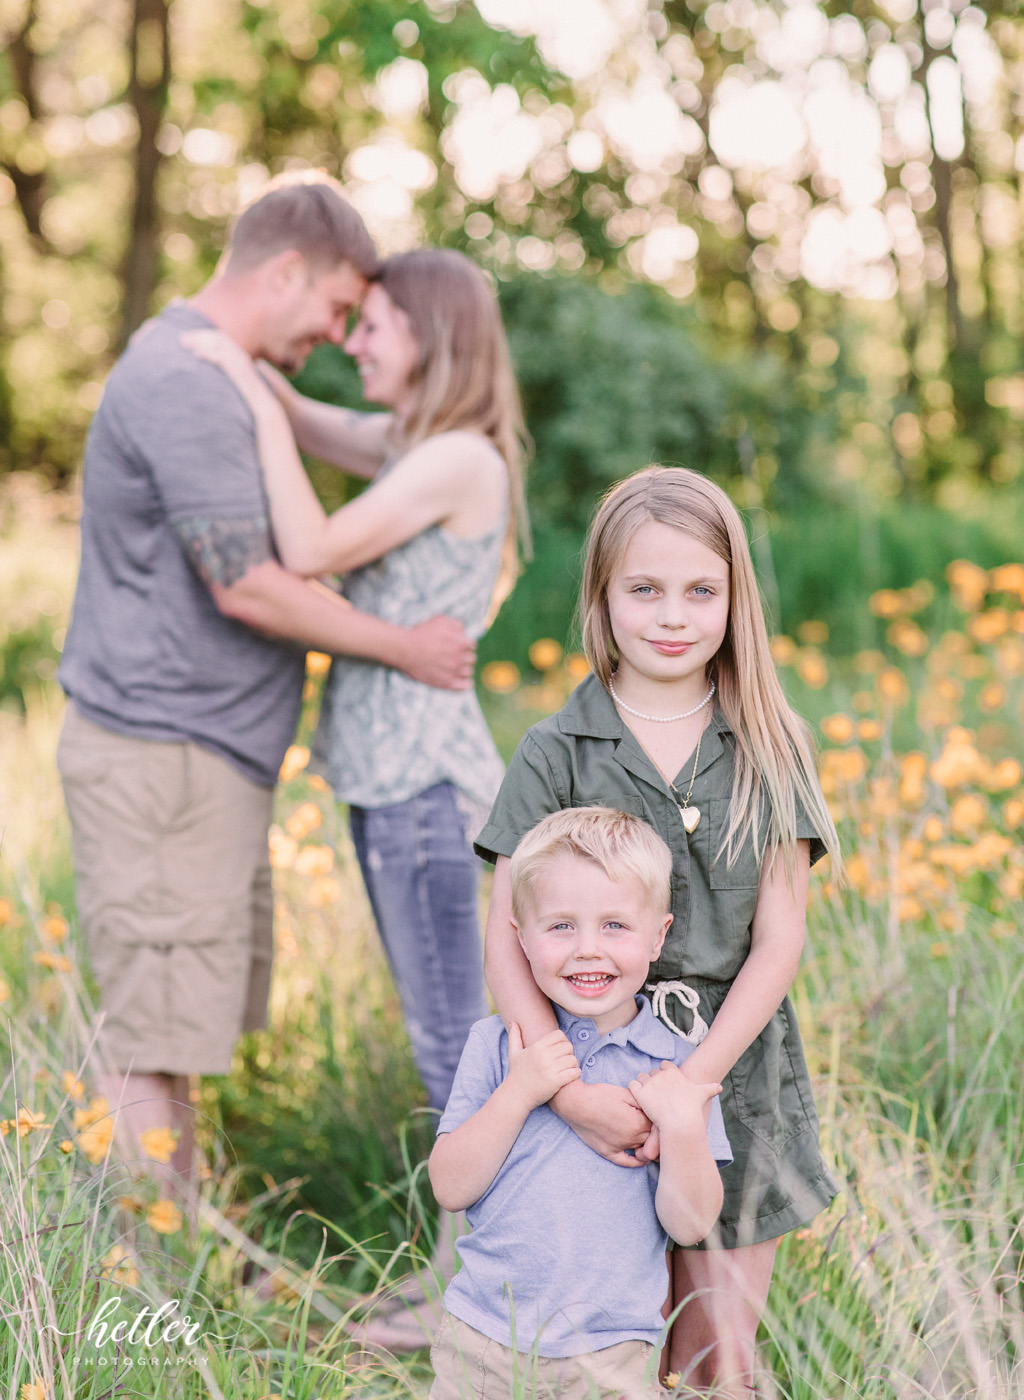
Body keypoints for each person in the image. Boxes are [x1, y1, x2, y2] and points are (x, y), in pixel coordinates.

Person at [57, 173, 475, 1184]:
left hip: (198, 761)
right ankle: (145, 1292)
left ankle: (182, 1254)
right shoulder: (182, 383)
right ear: (285, 271)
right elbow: (248, 583)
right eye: (336, 308)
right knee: (150, 1037)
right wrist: (399, 642)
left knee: (180, 1026)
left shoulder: (213, 375)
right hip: (162, 758)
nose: (338, 334)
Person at [477, 466, 842, 1397]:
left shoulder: (769, 742)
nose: (672, 615)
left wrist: (698, 1081)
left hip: (734, 1069)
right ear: (603, 597)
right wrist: (561, 1088)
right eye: (644, 589)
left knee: (716, 1354)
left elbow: (780, 937)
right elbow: (505, 936)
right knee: (602, 1353)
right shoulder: (555, 750)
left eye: (700, 591)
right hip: (593, 1073)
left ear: (734, 599)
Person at [428, 805, 732, 1400]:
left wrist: (682, 1128)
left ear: (658, 935)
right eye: (561, 926)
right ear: (520, 937)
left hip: (613, 1352)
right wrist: (519, 1093)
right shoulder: (499, 1045)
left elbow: (692, 1225)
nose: (587, 949)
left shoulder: (674, 1066)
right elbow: (450, 1186)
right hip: (484, 1336)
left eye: (615, 926)